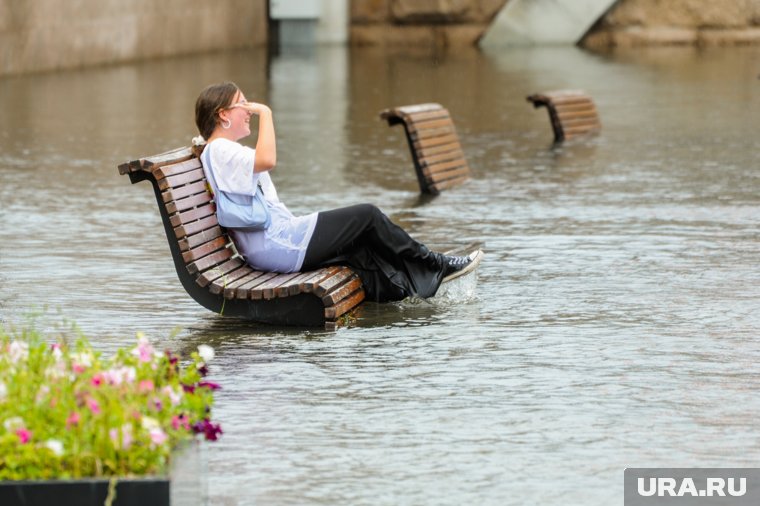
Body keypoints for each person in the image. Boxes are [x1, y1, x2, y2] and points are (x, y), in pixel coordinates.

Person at [194, 81, 480, 303]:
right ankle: (435, 264)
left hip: (278, 239)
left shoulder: (222, 151)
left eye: (251, 105)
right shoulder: (220, 149)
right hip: (276, 243)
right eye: (243, 104)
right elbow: (268, 158)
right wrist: (266, 113)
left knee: (360, 249)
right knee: (366, 215)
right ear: (223, 115)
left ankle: (415, 290)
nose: (250, 110)